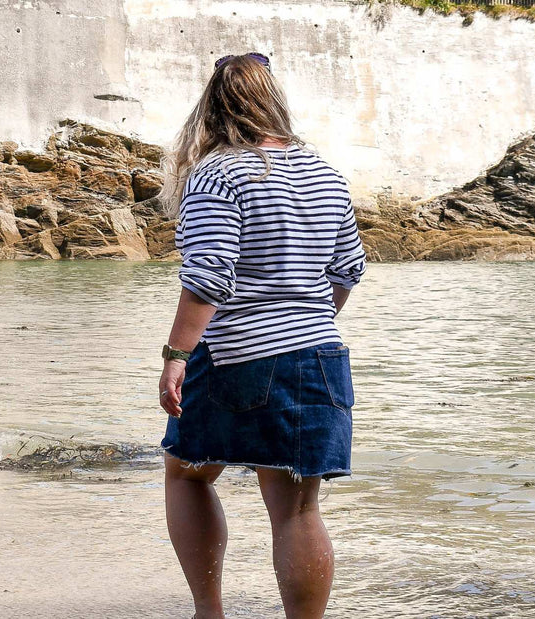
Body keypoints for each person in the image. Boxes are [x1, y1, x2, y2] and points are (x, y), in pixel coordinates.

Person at [157, 52, 367, 619]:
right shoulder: (324, 171)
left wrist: (177, 356)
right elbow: (347, 270)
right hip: (320, 352)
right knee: (298, 508)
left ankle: (210, 613)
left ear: (214, 106)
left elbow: (208, 278)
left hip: (235, 357)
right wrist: (307, 320)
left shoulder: (218, 171)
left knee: (188, 472)